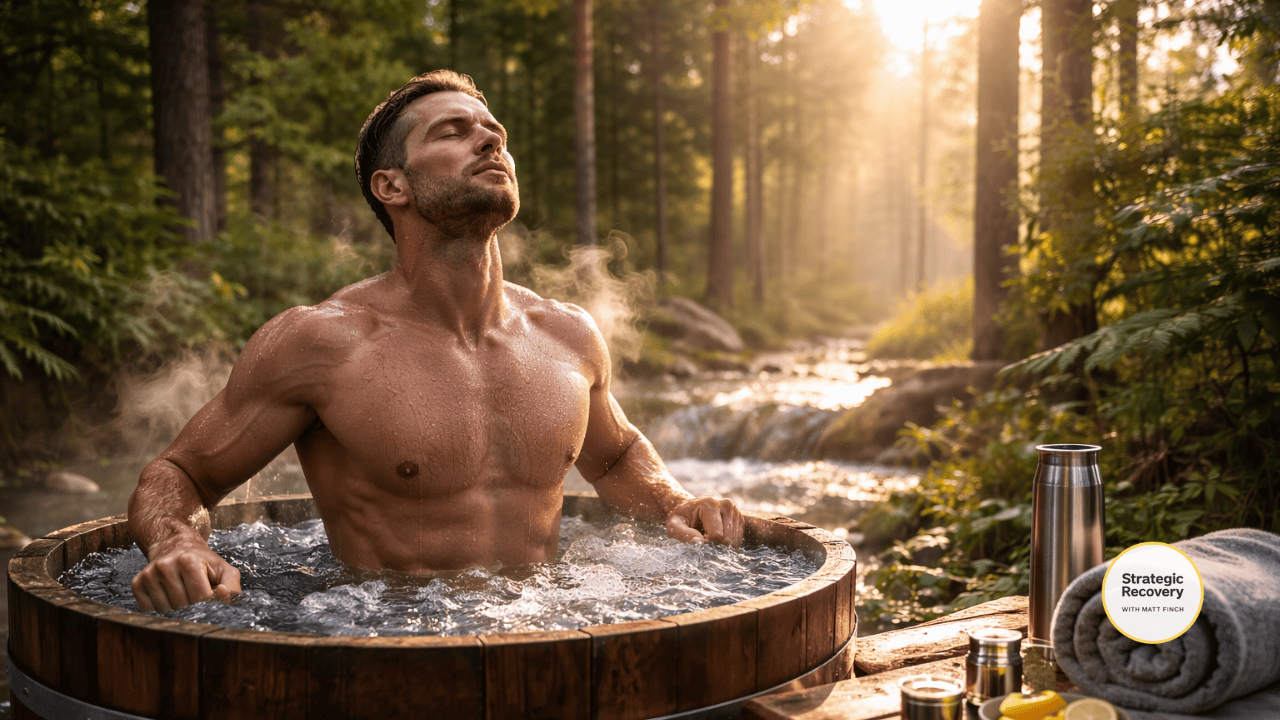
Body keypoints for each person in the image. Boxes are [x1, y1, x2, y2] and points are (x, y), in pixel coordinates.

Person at [127, 70, 744, 612]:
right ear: (391, 186)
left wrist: (674, 502)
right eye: (452, 131)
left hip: (547, 633)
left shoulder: (566, 333)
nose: (490, 139)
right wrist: (176, 540)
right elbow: (180, 473)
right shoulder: (322, 343)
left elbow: (614, 457)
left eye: (493, 130)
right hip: (380, 645)